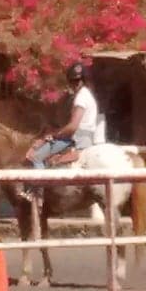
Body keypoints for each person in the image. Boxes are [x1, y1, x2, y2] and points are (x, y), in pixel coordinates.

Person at [18, 62, 99, 203]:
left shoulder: (81, 98)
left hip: (77, 138)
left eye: (77, 81)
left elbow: (73, 126)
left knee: (36, 157)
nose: (75, 84)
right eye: (74, 81)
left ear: (82, 81)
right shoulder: (87, 95)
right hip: (85, 136)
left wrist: (53, 135)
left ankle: (37, 194)